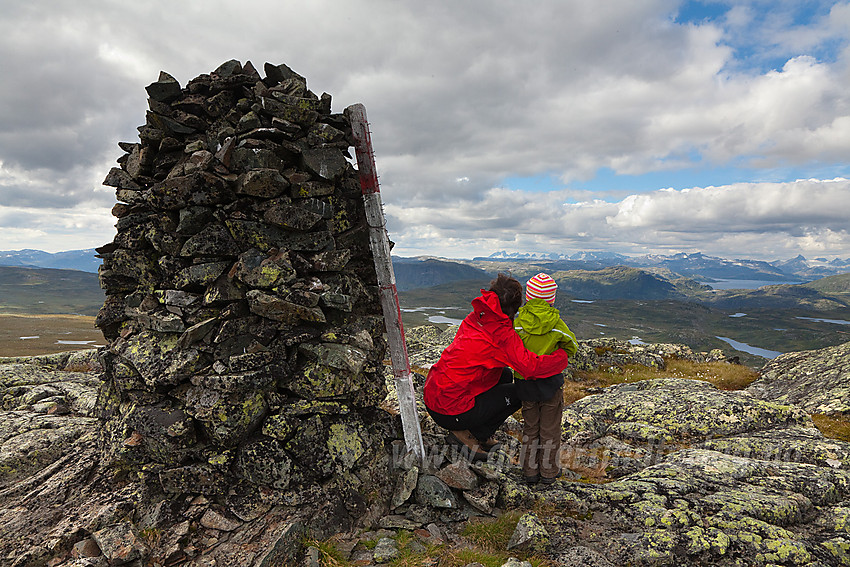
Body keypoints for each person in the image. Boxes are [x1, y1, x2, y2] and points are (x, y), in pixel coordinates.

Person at [423, 273, 571, 461]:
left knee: (505, 375)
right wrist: (561, 358)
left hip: (434, 394)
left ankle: (473, 427)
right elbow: (530, 368)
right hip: (451, 411)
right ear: (515, 306)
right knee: (521, 391)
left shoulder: (479, 315)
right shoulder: (502, 334)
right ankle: (474, 435)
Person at [513, 273, 579, 484]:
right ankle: (549, 472)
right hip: (550, 384)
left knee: (530, 427)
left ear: (528, 297)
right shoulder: (556, 323)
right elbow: (572, 346)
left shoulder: (518, 323)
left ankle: (529, 472)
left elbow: (511, 348)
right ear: (552, 299)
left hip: (525, 383)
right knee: (550, 429)